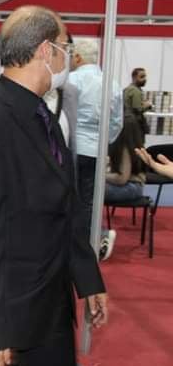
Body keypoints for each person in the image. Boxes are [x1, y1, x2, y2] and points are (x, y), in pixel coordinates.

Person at [0, 6, 108, 366]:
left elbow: (65, 207)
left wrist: (87, 279)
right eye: (65, 46)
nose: (68, 57)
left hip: (48, 303)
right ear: (46, 50)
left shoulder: (43, 117)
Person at [68, 37, 123, 243]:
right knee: (90, 200)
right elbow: (117, 122)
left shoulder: (71, 80)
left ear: (78, 57)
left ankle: (71, 243)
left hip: (73, 147)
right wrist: (103, 143)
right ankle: (90, 242)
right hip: (96, 150)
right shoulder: (112, 83)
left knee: (68, 197)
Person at [102, 116, 146, 260]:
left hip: (131, 188)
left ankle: (102, 234)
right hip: (132, 186)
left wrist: (100, 175)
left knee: (90, 193)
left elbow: (121, 178)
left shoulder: (125, 147)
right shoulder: (133, 145)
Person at [124, 67, 153, 136]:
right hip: (133, 123)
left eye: (145, 76)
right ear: (134, 78)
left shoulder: (128, 89)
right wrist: (148, 105)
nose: (145, 79)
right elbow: (138, 109)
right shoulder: (135, 91)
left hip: (127, 122)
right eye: (141, 77)